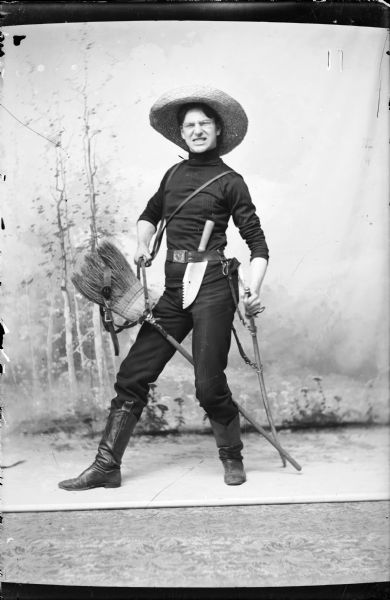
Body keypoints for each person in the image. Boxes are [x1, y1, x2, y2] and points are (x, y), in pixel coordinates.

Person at [58, 85, 269, 491]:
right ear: (181, 133)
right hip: (174, 292)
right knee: (133, 374)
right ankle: (106, 466)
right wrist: (143, 243)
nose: (197, 130)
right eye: (189, 125)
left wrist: (253, 289)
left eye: (204, 123)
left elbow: (258, 244)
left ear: (218, 130)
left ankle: (232, 456)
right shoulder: (173, 174)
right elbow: (149, 215)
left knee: (209, 385)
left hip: (213, 288)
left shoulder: (231, 181)